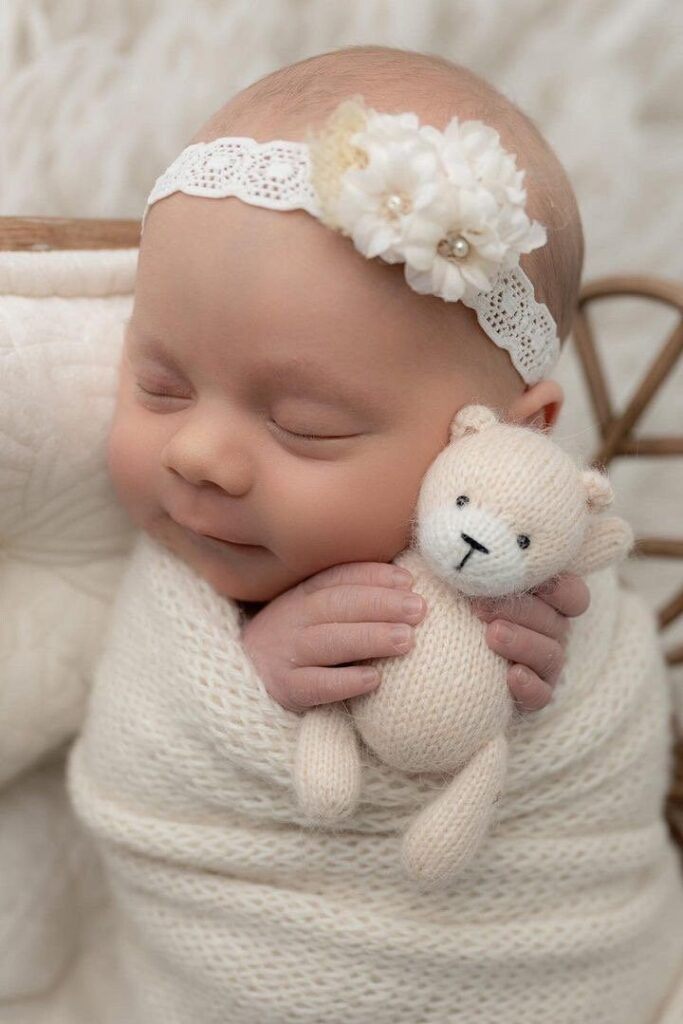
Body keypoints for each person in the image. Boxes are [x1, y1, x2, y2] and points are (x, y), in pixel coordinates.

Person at [34, 44, 683, 1024]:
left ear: (512, 434)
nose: (201, 452)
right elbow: (144, 757)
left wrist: (543, 680)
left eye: (305, 425)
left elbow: (605, 748)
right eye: (159, 385)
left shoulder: (529, 568)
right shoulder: (179, 589)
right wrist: (251, 678)